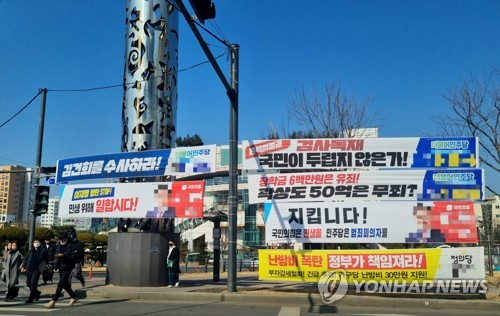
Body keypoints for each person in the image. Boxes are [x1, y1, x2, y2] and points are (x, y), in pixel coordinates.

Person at [45, 232, 78, 309]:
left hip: (68, 266)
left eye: (63, 239)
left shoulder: (72, 245)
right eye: (60, 240)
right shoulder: (59, 245)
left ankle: (53, 301)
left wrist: (63, 255)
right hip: (61, 266)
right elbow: (56, 253)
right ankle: (73, 297)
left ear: (66, 238)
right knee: (65, 284)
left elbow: (73, 256)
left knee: (61, 283)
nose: (61, 241)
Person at [21, 238, 49, 303]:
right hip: (29, 268)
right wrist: (23, 266)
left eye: (37, 242)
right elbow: (26, 259)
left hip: (37, 269)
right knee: (28, 284)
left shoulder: (43, 250)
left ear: (40, 243)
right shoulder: (31, 250)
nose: (36, 243)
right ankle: (37, 293)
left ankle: (31, 298)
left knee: (33, 283)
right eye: (35, 242)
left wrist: (44, 266)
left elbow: (47, 259)